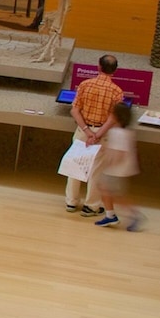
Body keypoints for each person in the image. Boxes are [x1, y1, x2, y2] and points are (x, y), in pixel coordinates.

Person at [65, 54, 123, 217]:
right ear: (115, 70)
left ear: (98, 67)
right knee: (97, 170)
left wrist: (87, 131)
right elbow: (113, 117)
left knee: (75, 164)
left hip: (83, 132)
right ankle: (91, 206)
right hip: (102, 135)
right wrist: (97, 134)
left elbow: (75, 110)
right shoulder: (117, 91)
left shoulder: (85, 85)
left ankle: (71, 201)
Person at [92, 101, 142, 231]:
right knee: (104, 189)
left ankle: (134, 215)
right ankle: (110, 215)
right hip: (118, 170)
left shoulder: (118, 133)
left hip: (116, 170)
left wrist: (107, 163)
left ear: (115, 116)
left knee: (116, 195)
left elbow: (119, 153)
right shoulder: (125, 132)